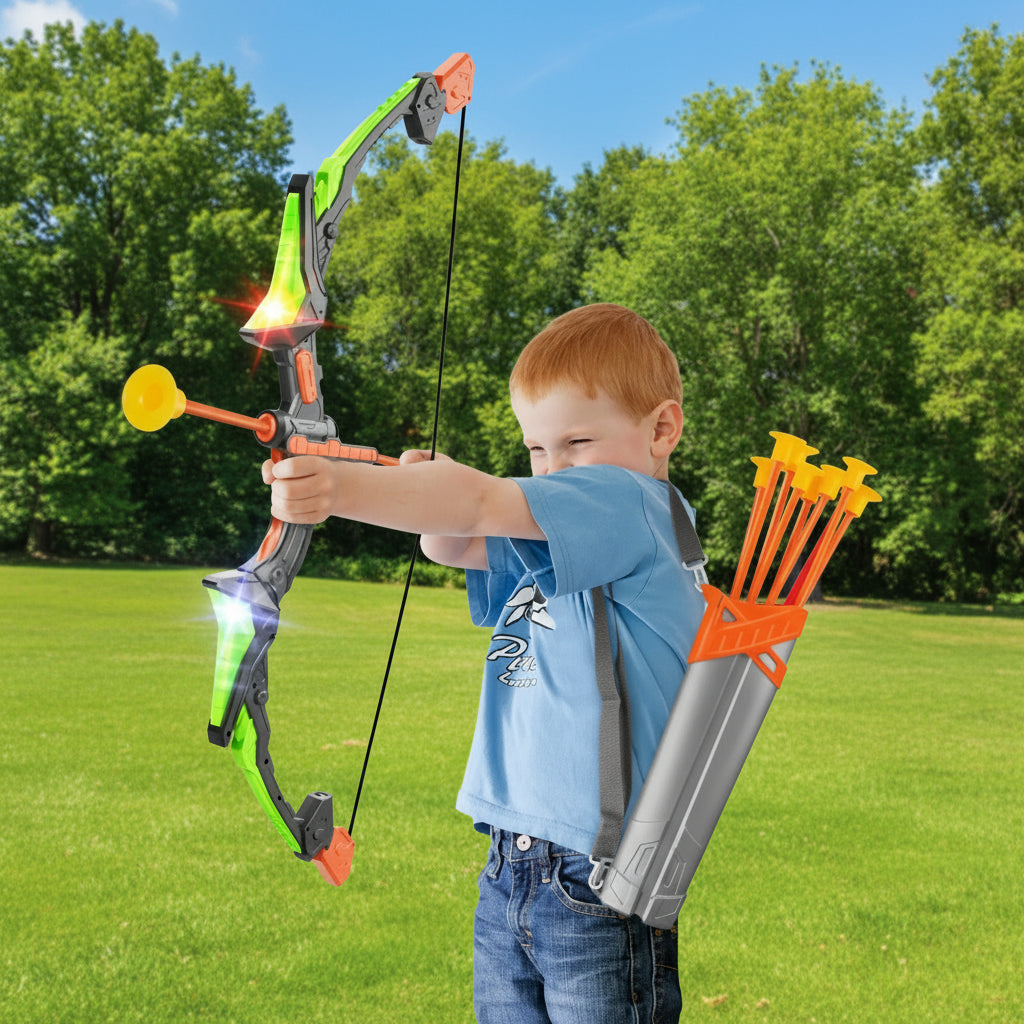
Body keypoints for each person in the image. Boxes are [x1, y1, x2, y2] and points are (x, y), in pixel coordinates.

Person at [263, 303, 706, 1024]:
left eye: (576, 441)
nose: (553, 466)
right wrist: (410, 489)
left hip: (596, 876)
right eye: (536, 449)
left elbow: (474, 505)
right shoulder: (570, 525)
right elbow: (453, 540)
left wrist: (338, 488)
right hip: (512, 864)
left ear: (661, 431)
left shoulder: (635, 505)